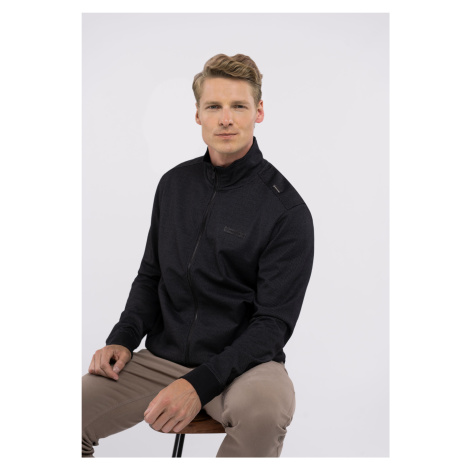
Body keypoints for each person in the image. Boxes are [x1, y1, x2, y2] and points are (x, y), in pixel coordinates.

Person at [82, 53, 314, 458]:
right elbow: (151, 276)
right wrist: (123, 338)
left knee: (264, 413)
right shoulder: (174, 186)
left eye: (238, 106)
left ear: (259, 112)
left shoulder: (286, 212)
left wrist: (198, 384)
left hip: (245, 367)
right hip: (163, 359)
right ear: (197, 114)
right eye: (213, 106)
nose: (226, 119)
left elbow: (273, 325)